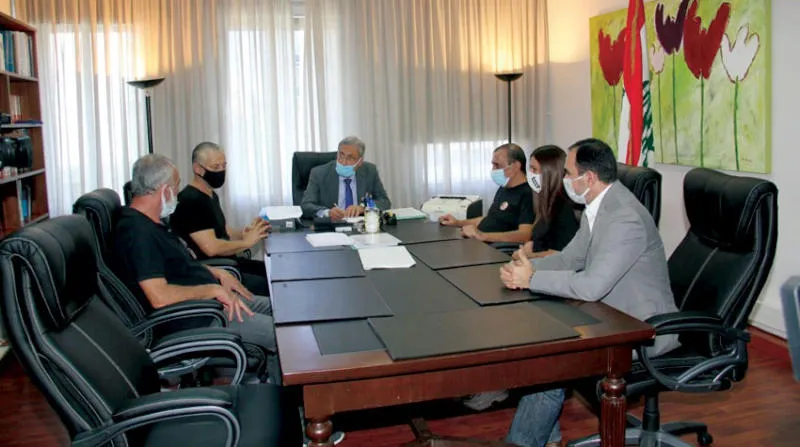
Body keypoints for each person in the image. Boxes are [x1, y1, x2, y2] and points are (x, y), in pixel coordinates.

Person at [499, 138, 680, 447]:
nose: (564, 179)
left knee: (550, 360)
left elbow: (592, 285)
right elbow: (571, 259)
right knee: (542, 343)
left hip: (642, 330)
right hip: (611, 316)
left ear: (590, 178)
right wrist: (525, 267)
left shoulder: (624, 217)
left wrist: (531, 280)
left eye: (569, 173)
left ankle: (525, 442)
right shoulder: (597, 208)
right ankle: (545, 437)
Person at [110, 154, 278, 380]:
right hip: (199, 317)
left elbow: (178, 267)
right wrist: (212, 290)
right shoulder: (138, 234)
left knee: (282, 309)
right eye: (176, 186)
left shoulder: (152, 223)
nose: (177, 195)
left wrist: (215, 272)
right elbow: (159, 296)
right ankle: (286, 396)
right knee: (282, 335)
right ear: (164, 190)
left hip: (212, 302)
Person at [460, 145, 580, 412]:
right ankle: (488, 378)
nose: (531, 175)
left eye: (535, 170)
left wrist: (528, 257)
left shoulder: (563, 207)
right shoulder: (546, 202)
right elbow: (536, 239)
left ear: (550, 173)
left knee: (497, 312)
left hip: (553, 282)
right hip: (535, 271)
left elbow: (563, 255)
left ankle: (498, 384)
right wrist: (526, 251)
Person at [169, 142, 270, 296]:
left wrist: (245, 232)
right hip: (215, 270)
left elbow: (222, 230)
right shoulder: (191, 201)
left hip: (229, 262)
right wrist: (246, 242)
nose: (221, 171)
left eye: (224, 166)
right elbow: (211, 248)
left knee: (271, 271)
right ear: (198, 169)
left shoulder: (209, 194)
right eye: (216, 167)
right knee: (269, 284)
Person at [439, 143, 534, 243]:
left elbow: (525, 235)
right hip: (480, 242)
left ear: (515, 166)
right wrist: (457, 223)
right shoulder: (503, 188)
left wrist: (482, 236)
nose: (493, 170)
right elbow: (490, 219)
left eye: (497, 165)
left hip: (497, 247)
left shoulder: (528, 194)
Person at [301, 135, 391, 219]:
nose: (343, 162)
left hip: (360, 225)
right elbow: (306, 205)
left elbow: (384, 202)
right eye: (341, 155)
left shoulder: (370, 171)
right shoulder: (319, 173)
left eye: (350, 158)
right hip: (332, 226)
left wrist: (363, 207)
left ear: (360, 161)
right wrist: (327, 212)